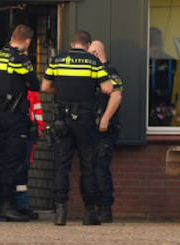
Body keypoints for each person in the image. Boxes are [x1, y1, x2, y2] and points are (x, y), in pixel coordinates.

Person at [42, 30, 116, 226]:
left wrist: (62, 91)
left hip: (61, 119)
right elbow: (108, 88)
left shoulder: (57, 60)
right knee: (88, 166)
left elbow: (45, 87)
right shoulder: (93, 63)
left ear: (72, 43)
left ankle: (60, 211)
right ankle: (89, 213)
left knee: (62, 166)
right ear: (87, 44)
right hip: (84, 120)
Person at [0, 25, 39, 222]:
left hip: (1, 114)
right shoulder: (21, 59)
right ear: (27, 41)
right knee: (13, 161)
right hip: (16, 116)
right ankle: (8, 207)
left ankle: (0, 206)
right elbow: (33, 84)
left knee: (1, 160)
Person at [88, 38, 125, 223]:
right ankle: (94, 208)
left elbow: (116, 96)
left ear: (95, 54)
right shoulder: (92, 72)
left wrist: (105, 118)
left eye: (90, 53)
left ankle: (105, 208)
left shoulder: (110, 72)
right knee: (91, 168)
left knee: (101, 169)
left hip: (104, 130)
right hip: (90, 128)